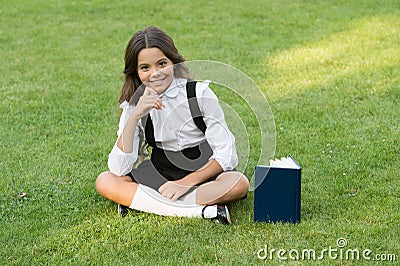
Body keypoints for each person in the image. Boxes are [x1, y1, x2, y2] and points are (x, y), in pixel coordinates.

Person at [95, 26, 249, 224]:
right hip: (161, 172)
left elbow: (227, 155)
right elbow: (118, 168)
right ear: (136, 71)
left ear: (173, 62)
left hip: (202, 173)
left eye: (161, 64)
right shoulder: (134, 105)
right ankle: (203, 212)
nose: (155, 73)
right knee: (106, 180)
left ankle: (145, 203)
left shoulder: (199, 94)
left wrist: (185, 184)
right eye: (145, 68)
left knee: (238, 183)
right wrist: (134, 116)